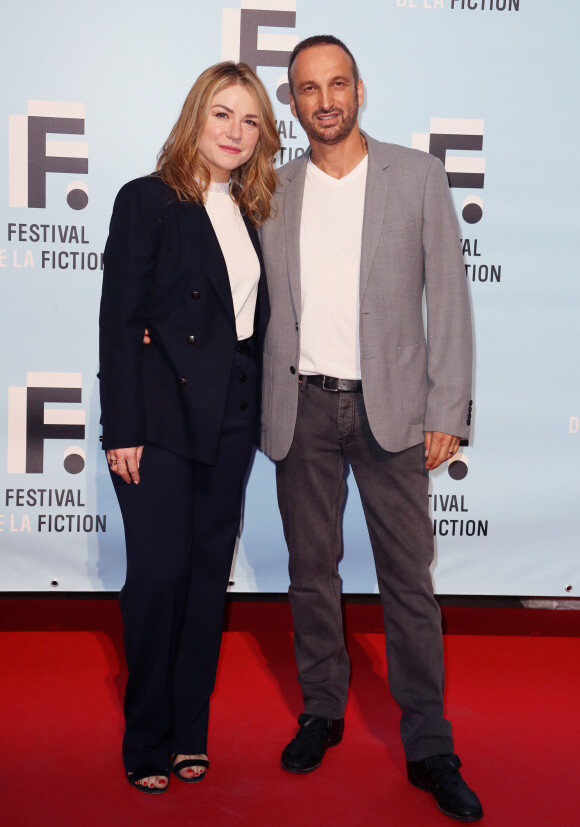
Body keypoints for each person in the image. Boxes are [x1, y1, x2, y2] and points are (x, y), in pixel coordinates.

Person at [259, 36, 482, 822]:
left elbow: (449, 298)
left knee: (409, 584)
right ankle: (322, 708)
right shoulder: (273, 188)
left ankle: (429, 742)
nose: (325, 101)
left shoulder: (416, 177)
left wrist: (448, 407)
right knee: (310, 572)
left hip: (394, 412)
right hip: (302, 409)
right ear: (292, 102)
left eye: (338, 84)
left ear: (361, 89)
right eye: (309, 90)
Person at [99, 61, 279, 794]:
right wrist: (123, 429)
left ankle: (188, 732)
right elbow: (121, 319)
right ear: (195, 119)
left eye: (251, 121)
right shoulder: (147, 200)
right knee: (159, 577)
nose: (236, 133)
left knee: (207, 580)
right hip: (161, 420)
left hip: (232, 416)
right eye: (223, 115)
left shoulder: (252, 209)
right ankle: (146, 734)